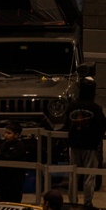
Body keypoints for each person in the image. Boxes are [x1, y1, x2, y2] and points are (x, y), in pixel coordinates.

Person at [64, 77, 106, 206]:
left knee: (73, 175)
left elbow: (66, 124)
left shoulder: (72, 106)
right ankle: (88, 203)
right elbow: (102, 126)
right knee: (89, 176)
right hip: (91, 146)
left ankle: (72, 201)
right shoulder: (95, 108)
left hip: (74, 144)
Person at [0, 121, 34, 202]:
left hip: (14, 183)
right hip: (3, 182)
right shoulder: (3, 145)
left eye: (9, 133)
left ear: (16, 135)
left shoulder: (20, 146)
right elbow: (0, 159)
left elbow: (11, 159)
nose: (6, 135)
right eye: (5, 132)